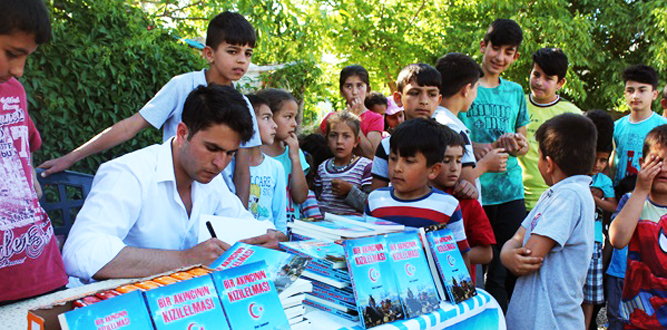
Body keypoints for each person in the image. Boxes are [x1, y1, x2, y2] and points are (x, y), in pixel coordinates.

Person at [62, 85, 286, 282]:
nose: (220, 163)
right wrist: (184, 259)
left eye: (230, 153)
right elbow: (79, 252)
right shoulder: (129, 174)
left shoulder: (211, 182)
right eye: (212, 148)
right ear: (182, 133)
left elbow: (244, 224)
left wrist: (269, 238)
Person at [37, 11, 262, 207]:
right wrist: (71, 157)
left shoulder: (243, 106)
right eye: (233, 51)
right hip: (170, 195)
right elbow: (129, 127)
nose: (242, 60)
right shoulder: (182, 86)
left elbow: (242, 169)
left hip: (217, 204)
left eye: (248, 53)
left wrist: (238, 218)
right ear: (209, 53)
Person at [457, 19, 529, 311]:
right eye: (495, 48)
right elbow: (452, 136)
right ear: (482, 46)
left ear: (515, 56)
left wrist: (516, 144)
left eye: (508, 52)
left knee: (504, 270)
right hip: (475, 189)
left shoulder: (515, 91)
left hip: (511, 191)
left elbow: (523, 144)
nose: (500, 57)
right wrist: (475, 148)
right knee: (473, 266)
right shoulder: (465, 86)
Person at [0, 0, 69, 304]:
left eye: (26, 57)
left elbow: (22, 150)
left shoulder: (14, 90)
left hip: (38, 265)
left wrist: (29, 176)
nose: (18, 70)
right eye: (11, 54)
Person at [501, 113, 597, 329]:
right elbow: (518, 237)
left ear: (548, 163)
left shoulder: (569, 196)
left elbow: (528, 257)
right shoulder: (554, 194)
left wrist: (508, 254)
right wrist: (507, 254)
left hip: (550, 320)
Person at [366, 118, 470, 271]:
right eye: (393, 159)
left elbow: (460, 255)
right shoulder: (375, 200)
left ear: (433, 170)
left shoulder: (447, 206)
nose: (397, 168)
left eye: (409, 161)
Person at [370, 63, 478, 199]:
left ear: (439, 99)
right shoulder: (387, 145)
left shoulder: (456, 139)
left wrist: (467, 188)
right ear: (398, 98)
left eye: (431, 94)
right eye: (414, 93)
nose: (424, 101)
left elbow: (468, 188)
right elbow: (376, 197)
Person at [609, 125, 667, 329]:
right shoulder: (632, 200)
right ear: (642, 164)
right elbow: (617, 239)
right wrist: (641, 190)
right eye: (657, 161)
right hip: (637, 317)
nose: (664, 168)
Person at [433, 52, 509, 204]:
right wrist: (486, 165)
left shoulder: (434, 119)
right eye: (476, 88)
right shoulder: (453, 128)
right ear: (467, 89)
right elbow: (461, 180)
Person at [518, 48, 582, 212]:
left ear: (560, 83)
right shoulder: (517, 104)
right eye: (536, 74)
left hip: (555, 200)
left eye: (548, 78)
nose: (539, 82)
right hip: (515, 197)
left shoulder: (572, 114)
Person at [430, 129, 496, 284]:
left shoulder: (467, 201)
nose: (454, 168)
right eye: (446, 160)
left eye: (459, 160)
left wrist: (441, 255)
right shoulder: (413, 198)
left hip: (458, 286)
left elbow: (486, 254)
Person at [582, 110, 617, 328]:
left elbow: (613, 206)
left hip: (594, 242)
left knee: (590, 294)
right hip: (574, 240)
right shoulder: (573, 176)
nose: (598, 165)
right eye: (595, 158)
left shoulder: (603, 181)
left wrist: (596, 200)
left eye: (603, 160)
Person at [257, 88, 309, 221]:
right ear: (269, 117)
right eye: (288, 117)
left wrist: (295, 158)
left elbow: (301, 197)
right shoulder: (254, 155)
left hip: (289, 228)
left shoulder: (294, 153)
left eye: (294, 117)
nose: (294, 124)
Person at [611, 64, 666, 186]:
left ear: (654, 94)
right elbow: (613, 162)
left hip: (653, 195)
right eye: (630, 91)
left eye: (642, 90)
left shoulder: (663, 126)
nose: (635, 96)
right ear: (625, 94)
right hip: (620, 195)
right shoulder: (616, 127)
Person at [319, 66, 384, 159]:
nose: (354, 92)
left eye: (359, 86)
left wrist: (353, 119)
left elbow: (371, 154)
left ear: (368, 90)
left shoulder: (375, 119)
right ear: (341, 91)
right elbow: (315, 145)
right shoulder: (332, 118)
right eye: (348, 86)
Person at [314, 111, 372, 215]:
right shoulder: (322, 168)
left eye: (346, 136)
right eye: (333, 135)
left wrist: (350, 191)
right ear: (327, 139)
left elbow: (370, 206)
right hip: (325, 227)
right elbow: (317, 200)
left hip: (354, 228)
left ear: (356, 142)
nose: (339, 141)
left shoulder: (365, 167)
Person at [245, 94, 286, 233]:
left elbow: (279, 216)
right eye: (266, 118)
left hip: (268, 243)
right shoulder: (228, 167)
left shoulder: (275, 168)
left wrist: (280, 241)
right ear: (247, 121)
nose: (275, 125)